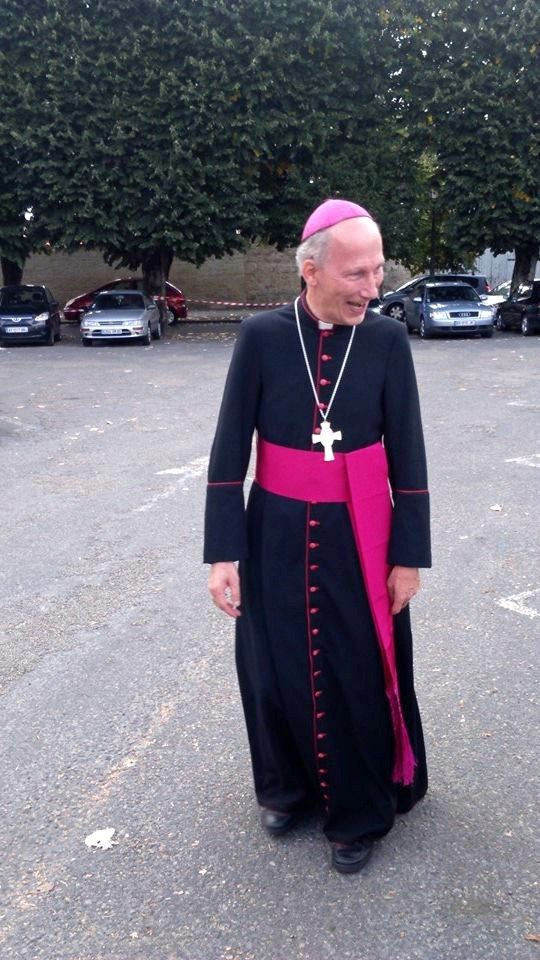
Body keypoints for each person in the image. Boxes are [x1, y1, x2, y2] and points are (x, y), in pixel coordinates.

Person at [204, 199, 431, 874]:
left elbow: (409, 456)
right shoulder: (261, 337)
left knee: (356, 670)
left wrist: (409, 558)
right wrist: (223, 553)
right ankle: (285, 787)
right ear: (311, 271)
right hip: (272, 528)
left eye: (378, 270)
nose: (373, 288)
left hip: (361, 532)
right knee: (271, 665)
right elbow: (229, 447)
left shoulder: (386, 341)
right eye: (357, 274)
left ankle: (358, 811)